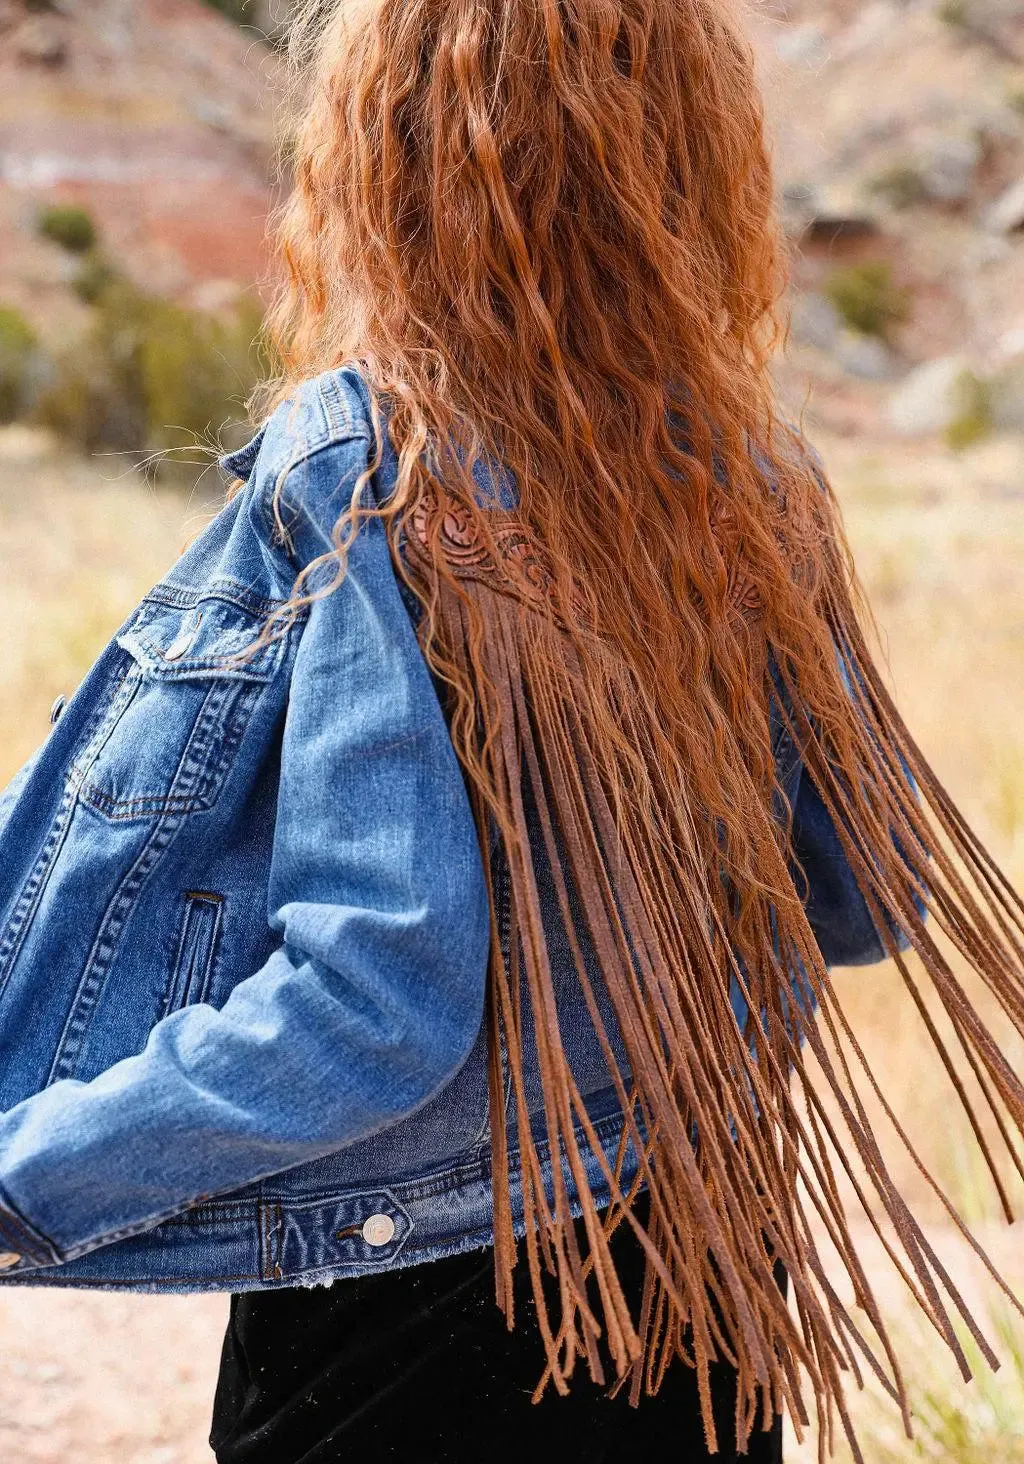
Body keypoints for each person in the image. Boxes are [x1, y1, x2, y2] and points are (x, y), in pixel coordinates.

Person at [0, 0, 1022, 1460]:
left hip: (423, 1318)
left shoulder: (370, 467)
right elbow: (866, 899)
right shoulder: (751, 476)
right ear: (685, 152)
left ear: (385, 152)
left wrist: (33, 1173)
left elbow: (375, 1004)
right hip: (699, 1281)